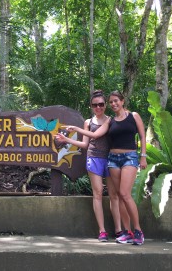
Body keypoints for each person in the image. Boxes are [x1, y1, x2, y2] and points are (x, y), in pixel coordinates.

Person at [60, 91, 147, 245]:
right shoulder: (103, 121)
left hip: (122, 158)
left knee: (122, 194)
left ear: (121, 101)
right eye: (96, 104)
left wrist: (143, 156)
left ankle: (131, 230)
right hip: (105, 159)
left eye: (114, 101)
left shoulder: (126, 117)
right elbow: (93, 137)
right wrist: (72, 133)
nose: (113, 104)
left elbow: (141, 136)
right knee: (109, 194)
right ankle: (116, 231)